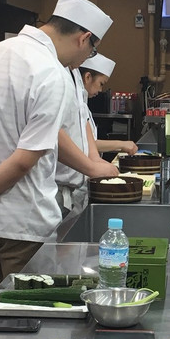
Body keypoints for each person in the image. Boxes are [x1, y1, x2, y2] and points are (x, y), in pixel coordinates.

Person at [0, 0, 113, 336]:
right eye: (89, 52)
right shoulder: (50, 72)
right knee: (32, 316)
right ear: (84, 38)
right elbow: (24, 160)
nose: (83, 61)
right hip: (24, 221)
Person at [55, 53, 122, 217]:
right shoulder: (58, 77)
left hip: (75, 184)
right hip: (58, 185)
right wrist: (92, 167)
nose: (100, 90)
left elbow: (84, 130)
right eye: (101, 84)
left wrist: (95, 159)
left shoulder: (76, 82)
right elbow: (55, 131)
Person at [77, 54, 139, 156]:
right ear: (87, 77)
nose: (100, 90)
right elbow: (85, 144)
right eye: (101, 83)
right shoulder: (75, 103)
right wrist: (121, 144)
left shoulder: (83, 104)